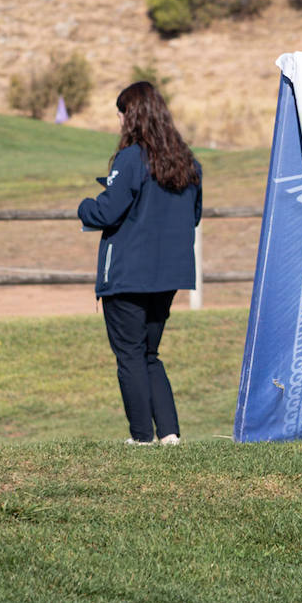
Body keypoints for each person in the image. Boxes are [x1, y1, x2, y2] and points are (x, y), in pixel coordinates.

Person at [78, 81, 202, 446]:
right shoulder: (187, 162)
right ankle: (169, 434)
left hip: (128, 273)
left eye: (120, 114)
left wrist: (85, 205)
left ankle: (141, 437)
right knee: (149, 354)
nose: (118, 122)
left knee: (129, 355)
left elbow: (107, 209)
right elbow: (192, 216)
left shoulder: (131, 157)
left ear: (131, 117)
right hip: (168, 275)